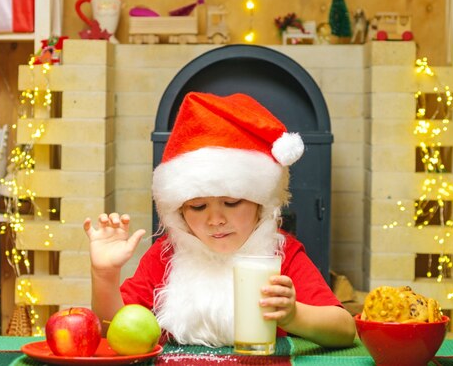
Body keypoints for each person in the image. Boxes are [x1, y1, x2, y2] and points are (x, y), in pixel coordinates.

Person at [84, 92, 356, 348]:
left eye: (231, 202)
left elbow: (345, 330)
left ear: (260, 204)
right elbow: (111, 330)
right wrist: (104, 275)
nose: (215, 219)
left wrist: (293, 315)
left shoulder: (281, 255)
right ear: (179, 212)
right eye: (198, 206)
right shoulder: (165, 257)